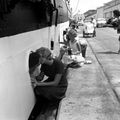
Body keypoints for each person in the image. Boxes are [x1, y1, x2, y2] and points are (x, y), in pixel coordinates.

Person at [28, 47, 68, 120]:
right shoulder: (43, 65)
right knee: (38, 89)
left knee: (43, 90)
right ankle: (43, 108)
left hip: (60, 85)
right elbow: (40, 78)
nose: (38, 60)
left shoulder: (58, 64)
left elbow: (56, 83)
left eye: (40, 58)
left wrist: (38, 83)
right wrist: (34, 76)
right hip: (52, 81)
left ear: (44, 57)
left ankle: (45, 108)